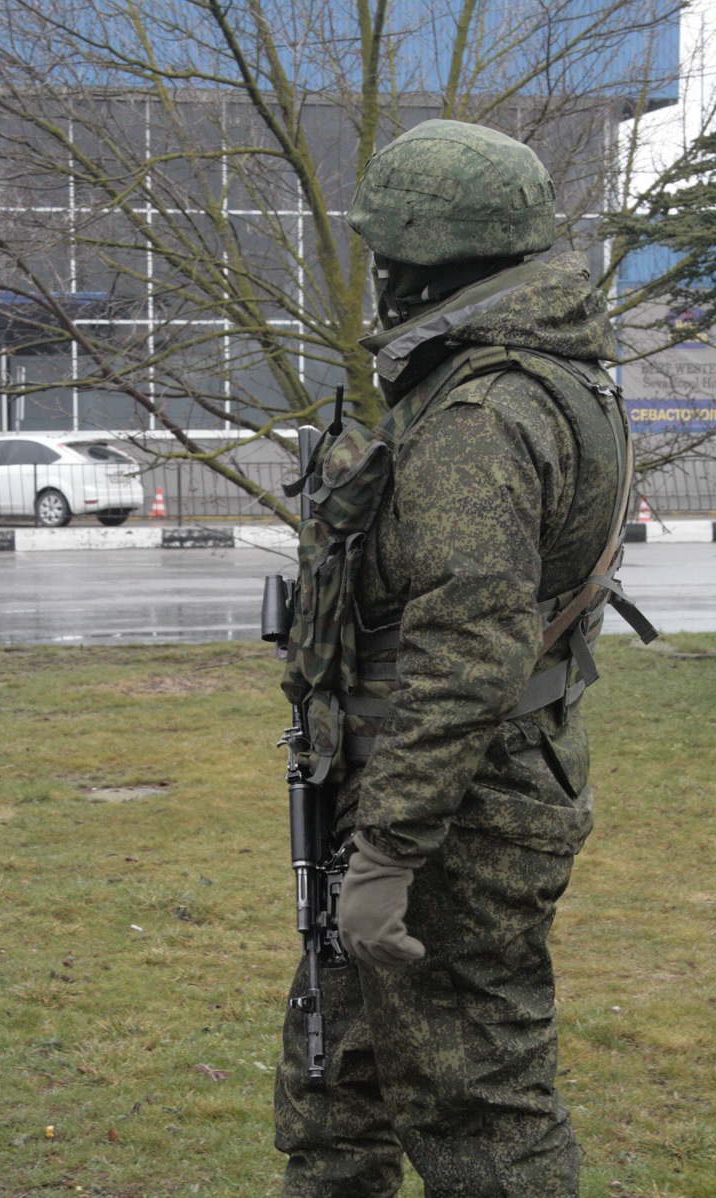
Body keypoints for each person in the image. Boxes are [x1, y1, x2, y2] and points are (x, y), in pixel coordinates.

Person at [274, 119, 652, 1198]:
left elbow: (465, 649)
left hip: (452, 806)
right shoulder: (548, 376)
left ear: (423, 255)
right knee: (336, 1075)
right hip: (452, 782)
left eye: (384, 248)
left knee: (477, 1102)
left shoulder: (482, 411)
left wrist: (387, 855)